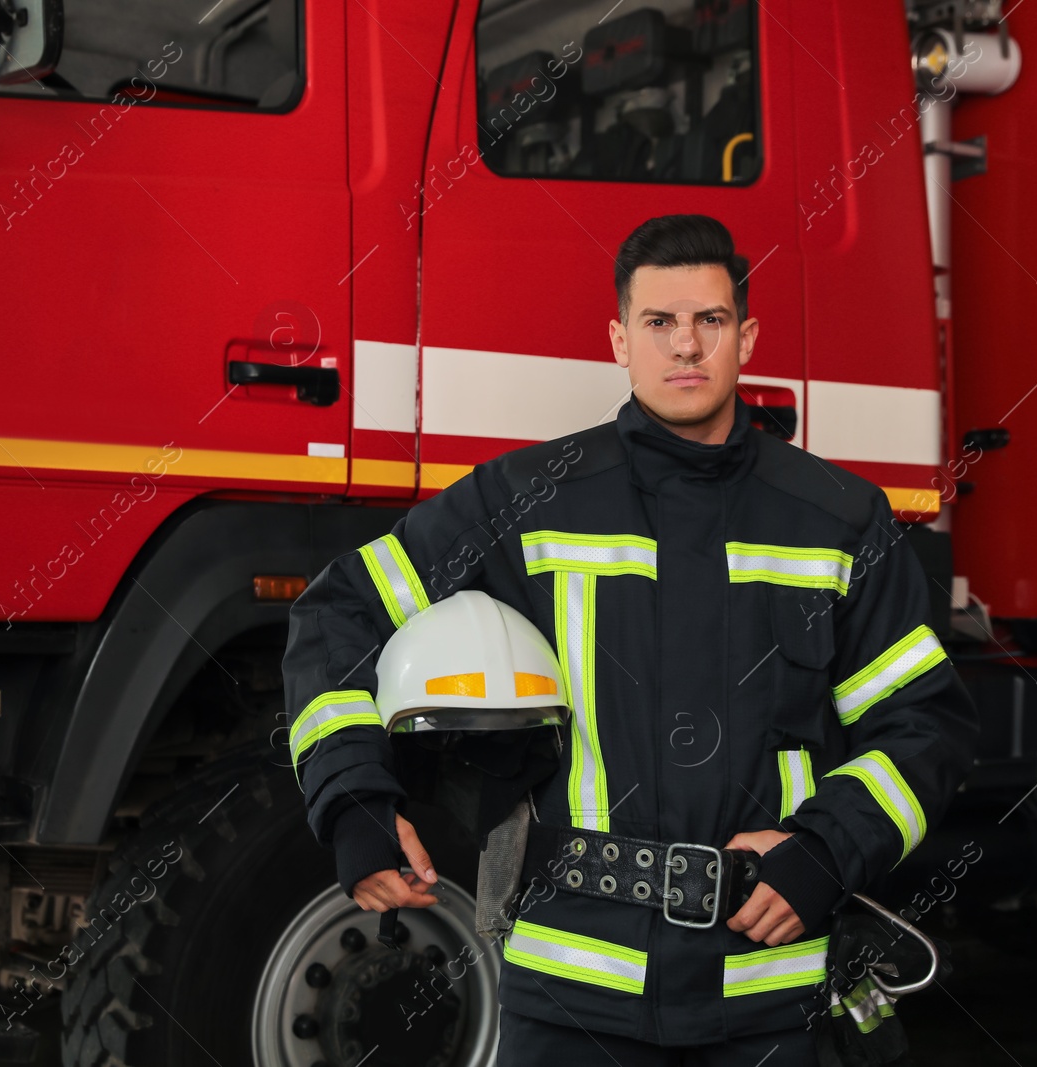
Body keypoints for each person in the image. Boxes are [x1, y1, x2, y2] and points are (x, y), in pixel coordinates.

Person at [282, 214, 978, 1064]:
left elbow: (926, 725)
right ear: (620, 340)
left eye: (710, 321)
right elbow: (339, 611)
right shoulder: (531, 498)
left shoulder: (838, 519)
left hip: (765, 993)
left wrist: (831, 848)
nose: (686, 346)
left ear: (746, 337)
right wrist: (355, 800)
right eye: (659, 323)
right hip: (572, 998)